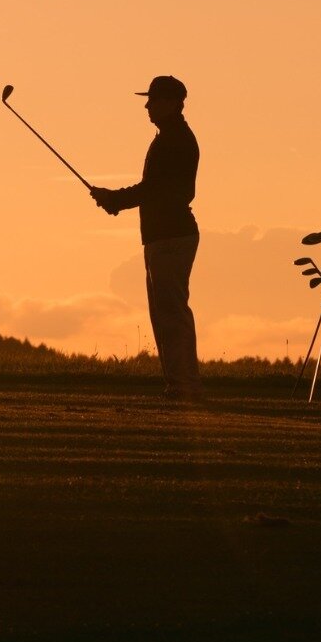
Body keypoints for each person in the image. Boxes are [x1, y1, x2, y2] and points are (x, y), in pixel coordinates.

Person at [90, 76, 203, 402]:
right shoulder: (170, 137)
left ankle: (184, 384)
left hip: (171, 236)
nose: (147, 106)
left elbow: (153, 190)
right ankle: (180, 383)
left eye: (153, 100)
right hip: (164, 235)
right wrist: (115, 200)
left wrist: (115, 199)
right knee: (166, 312)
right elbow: (153, 190)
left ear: (171, 103)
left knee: (171, 313)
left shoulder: (174, 141)